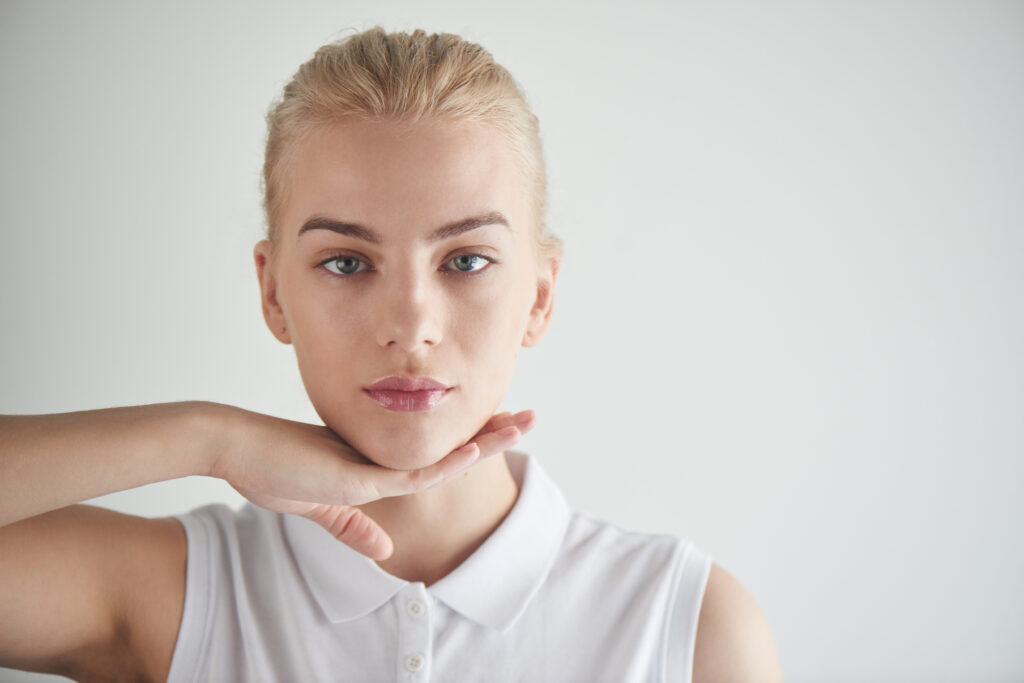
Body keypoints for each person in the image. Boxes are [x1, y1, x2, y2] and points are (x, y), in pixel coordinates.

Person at [0, 27, 783, 682]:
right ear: (274, 294)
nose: (410, 325)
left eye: (466, 260)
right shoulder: (183, 592)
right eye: (346, 261)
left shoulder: (687, 630)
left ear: (539, 296)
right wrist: (214, 439)